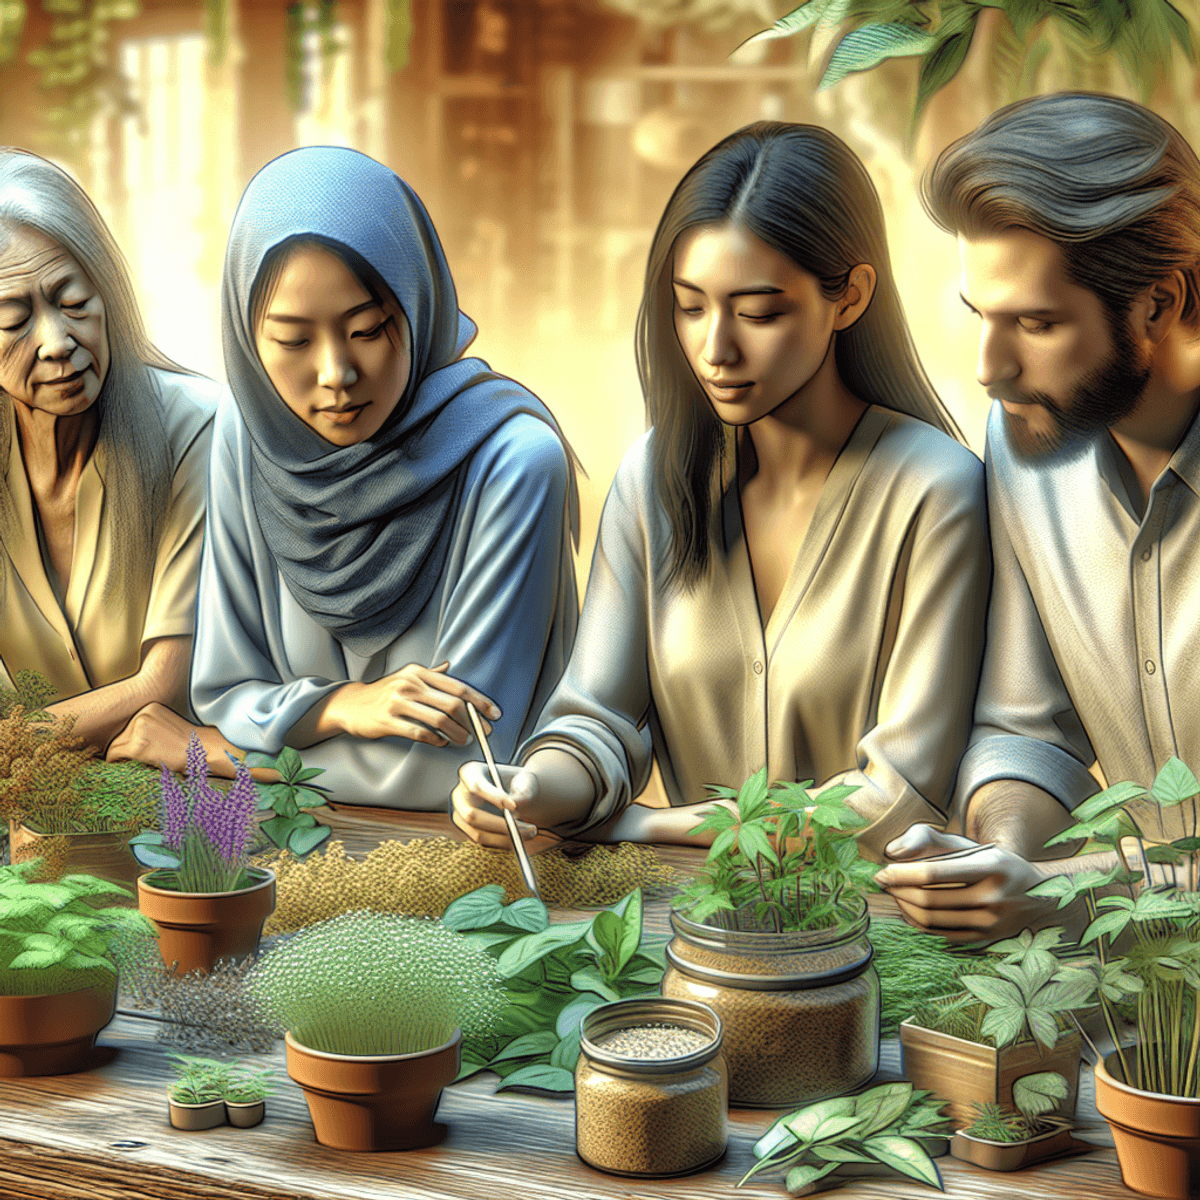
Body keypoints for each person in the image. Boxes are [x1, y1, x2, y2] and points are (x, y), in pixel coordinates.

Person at [451, 121, 990, 860]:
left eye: (760, 312)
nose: (716, 349)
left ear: (851, 297)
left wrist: (641, 826)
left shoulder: (937, 493)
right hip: (683, 918)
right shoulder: (653, 480)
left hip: (868, 929)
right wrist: (535, 788)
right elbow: (596, 716)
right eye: (691, 306)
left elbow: (895, 798)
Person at [875, 93, 1200, 941]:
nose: (989, 366)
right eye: (980, 315)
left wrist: (1065, 891)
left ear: (1159, 306)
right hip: (1139, 1002)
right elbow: (1026, 732)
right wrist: (1000, 857)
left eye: (1037, 323)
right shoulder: (1023, 442)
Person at [184, 145, 579, 807]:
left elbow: (456, 770)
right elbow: (224, 692)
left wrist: (206, 753)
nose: (336, 374)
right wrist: (342, 707)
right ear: (249, 341)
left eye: (366, 329)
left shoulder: (513, 462)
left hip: (472, 864)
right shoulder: (244, 432)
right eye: (292, 340)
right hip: (284, 850)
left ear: (418, 305)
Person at [0, 148, 220, 759]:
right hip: (31, 816)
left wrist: (13, 745)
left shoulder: (197, 428)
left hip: (181, 808)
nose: (57, 342)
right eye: (13, 320)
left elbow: (162, 685)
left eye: (73, 301)